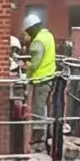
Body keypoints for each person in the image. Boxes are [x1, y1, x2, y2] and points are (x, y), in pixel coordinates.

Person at [21, 14, 60, 151]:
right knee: (45, 108)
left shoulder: (37, 41)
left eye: (28, 31)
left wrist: (25, 66)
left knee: (39, 109)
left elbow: (35, 64)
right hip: (49, 77)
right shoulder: (48, 36)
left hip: (41, 79)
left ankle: (38, 139)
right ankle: (46, 135)